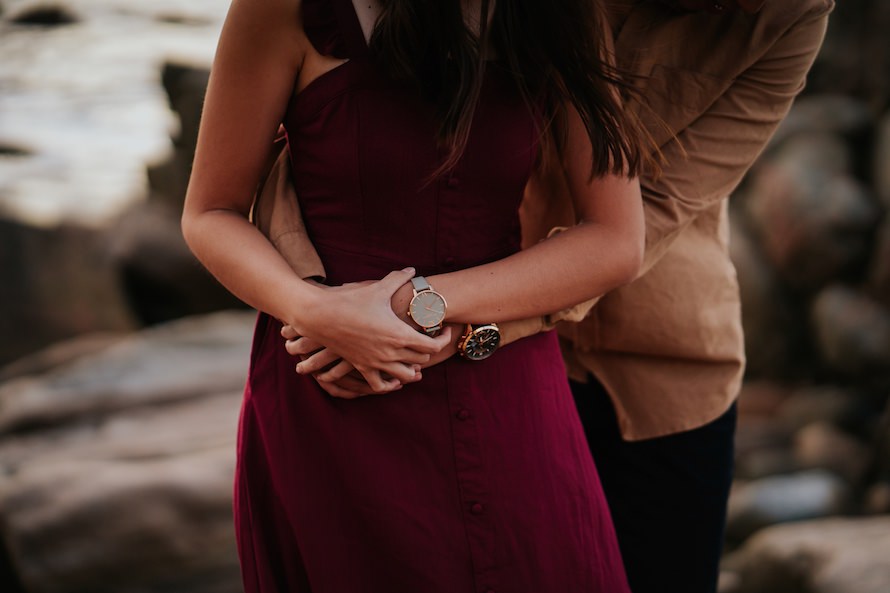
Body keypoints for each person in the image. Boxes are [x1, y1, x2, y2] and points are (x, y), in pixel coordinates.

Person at [272, 0, 835, 591]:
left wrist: (448, 317)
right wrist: (311, 297)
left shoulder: (792, 16)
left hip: (660, 374)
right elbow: (319, 137)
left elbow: (651, 215)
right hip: (494, 376)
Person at [181, 0, 649, 591]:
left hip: (503, 381)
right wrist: (313, 309)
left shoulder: (562, 13)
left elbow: (615, 240)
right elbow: (210, 212)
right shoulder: (283, 9)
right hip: (333, 386)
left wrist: (419, 302)